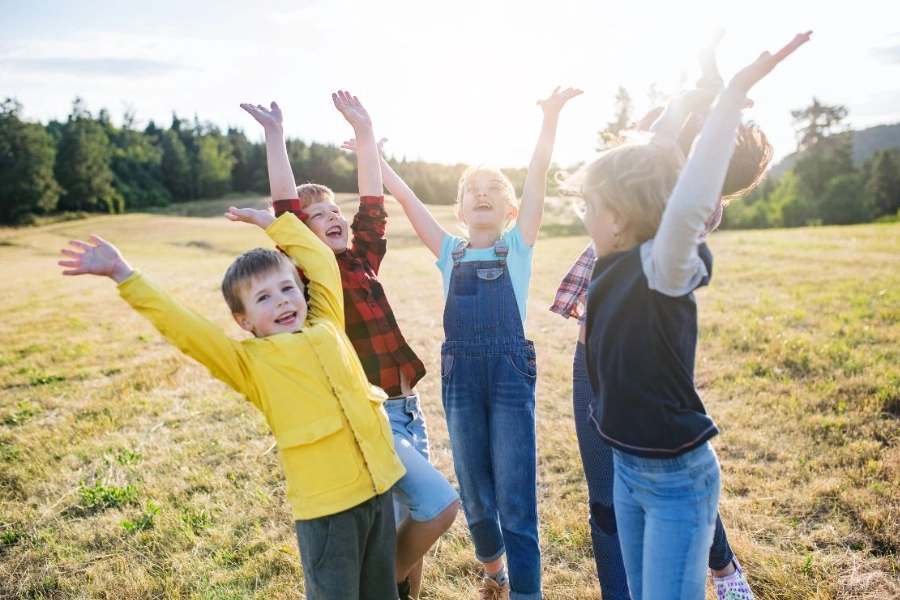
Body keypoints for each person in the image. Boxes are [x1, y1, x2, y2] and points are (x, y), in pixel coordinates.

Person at [57, 90, 407, 600]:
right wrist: (125, 275)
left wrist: (275, 224)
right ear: (244, 321)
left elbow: (317, 260)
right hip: (328, 509)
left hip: (379, 489)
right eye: (264, 298)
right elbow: (189, 330)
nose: (282, 300)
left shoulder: (327, 320)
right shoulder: (250, 362)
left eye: (287, 288)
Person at [576, 32, 811, 600]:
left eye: (590, 205)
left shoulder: (663, 264)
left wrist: (731, 96)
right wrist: (701, 83)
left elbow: (691, 193)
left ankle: (725, 571)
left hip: (675, 482)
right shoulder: (614, 257)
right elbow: (654, 155)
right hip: (629, 471)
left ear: (620, 217)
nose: (582, 214)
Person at [347, 86, 580, 600]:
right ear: (459, 208)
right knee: (474, 492)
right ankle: (494, 570)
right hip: (461, 380)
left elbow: (538, 174)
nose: (482, 193)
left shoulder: (517, 247)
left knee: (515, 495)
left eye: (494, 187)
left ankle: (527, 592)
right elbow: (406, 200)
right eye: (472, 188)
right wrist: (373, 155)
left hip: (509, 376)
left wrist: (549, 118)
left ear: (511, 209)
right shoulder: (448, 251)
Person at [239, 92, 459, 600]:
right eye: (319, 215)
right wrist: (275, 135)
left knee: (410, 524)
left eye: (335, 209)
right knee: (434, 508)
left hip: (410, 409)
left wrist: (365, 135)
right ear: (303, 234)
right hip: (373, 414)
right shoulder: (313, 278)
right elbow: (286, 211)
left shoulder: (362, 259)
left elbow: (373, 206)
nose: (333, 216)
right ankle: (373, 589)